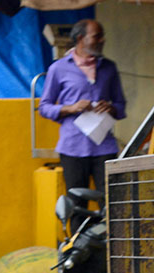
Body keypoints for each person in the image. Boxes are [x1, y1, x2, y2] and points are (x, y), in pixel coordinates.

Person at [38, 19, 126, 193]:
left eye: (102, 36)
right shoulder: (58, 69)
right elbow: (44, 107)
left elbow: (121, 104)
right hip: (72, 148)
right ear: (80, 39)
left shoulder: (109, 68)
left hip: (105, 146)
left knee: (110, 202)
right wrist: (71, 108)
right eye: (97, 36)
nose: (102, 40)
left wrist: (112, 108)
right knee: (76, 205)